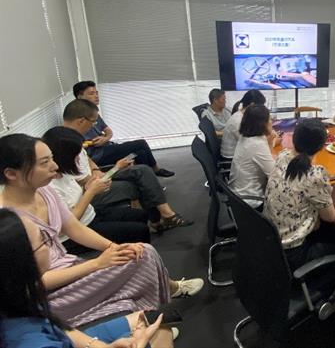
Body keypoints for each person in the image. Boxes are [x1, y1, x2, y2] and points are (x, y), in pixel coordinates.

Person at [0, 133, 204, 327]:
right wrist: (97, 263)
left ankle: (147, 317)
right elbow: (34, 283)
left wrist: (113, 247)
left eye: (51, 159)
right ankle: (147, 317)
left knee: (139, 253)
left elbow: (73, 227)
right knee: (142, 257)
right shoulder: (7, 222)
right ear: (11, 174)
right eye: (44, 163)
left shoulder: (45, 191)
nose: (54, 166)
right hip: (50, 296)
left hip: (68, 268)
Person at [0, 208, 173, 348]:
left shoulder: (17, 299)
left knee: (153, 321)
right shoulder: (32, 340)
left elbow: (56, 328)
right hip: (67, 285)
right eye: (43, 239)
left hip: (71, 280)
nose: (50, 244)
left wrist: (98, 345)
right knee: (159, 332)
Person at [62, 99, 193, 232]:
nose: (93, 126)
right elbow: (86, 184)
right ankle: (160, 219)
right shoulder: (64, 144)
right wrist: (116, 167)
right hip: (90, 192)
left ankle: (163, 217)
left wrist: (95, 168)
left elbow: (86, 157)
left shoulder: (72, 137)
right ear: (81, 121)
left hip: (97, 176)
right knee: (137, 183)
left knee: (142, 170)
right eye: (93, 122)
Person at [42, 126, 150, 254]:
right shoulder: (49, 187)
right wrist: (91, 191)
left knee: (140, 215)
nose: (79, 159)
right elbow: (69, 224)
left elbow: (77, 195)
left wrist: (88, 187)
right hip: (75, 233)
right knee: (140, 230)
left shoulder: (64, 172)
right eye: (76, 156)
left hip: (90, 215)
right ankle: (141, 259)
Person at [264, 119, 335, 271]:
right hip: (292, 253)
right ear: (321, 146)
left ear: (294, 139)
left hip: (269, 240)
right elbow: (330, 217)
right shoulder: (314, 175)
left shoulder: (283, 155)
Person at [73, 81, 174, 177]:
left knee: (140, 153)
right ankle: (156, 170)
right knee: (141, 143)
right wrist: (92, 143)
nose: (96, 96)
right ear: (80, 97)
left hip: (108, 147)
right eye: (91, 94)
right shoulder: (78, 118)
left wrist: (105, 138)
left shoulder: (93, 112)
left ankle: (149, 179)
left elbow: (108, 131)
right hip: (99, 155)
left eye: (96, 93)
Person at [229, 104, 280, 199]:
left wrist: (270, 141)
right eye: (269, 119)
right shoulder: (257, 144)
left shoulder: (246, 136)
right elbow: (274, 174)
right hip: (249, 199)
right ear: (262, 124)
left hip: (237, 195)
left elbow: (267, 158)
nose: (272, 122)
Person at [221, 89, 266, 159]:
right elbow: (249, 145)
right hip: (231, 158)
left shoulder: (242, 115)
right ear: (252, 105)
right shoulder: (238, 120)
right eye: (260, 107)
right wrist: (271, 141)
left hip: (237, 153)